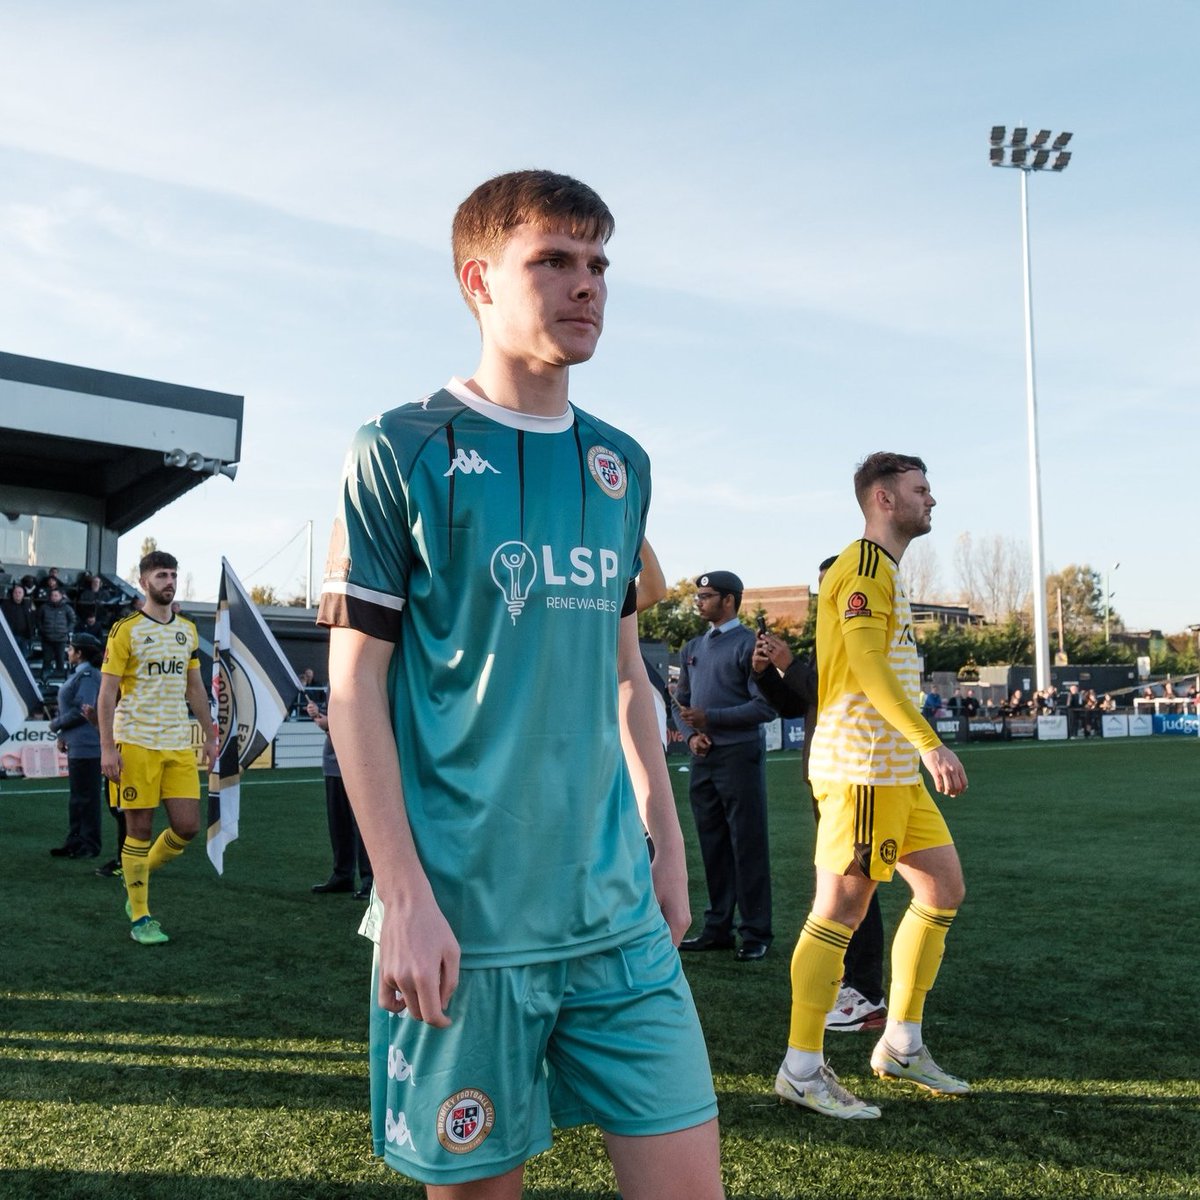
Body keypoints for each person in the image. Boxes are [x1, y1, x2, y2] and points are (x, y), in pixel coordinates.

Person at [317, 170, 723, 1199]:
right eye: (552, 261)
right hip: (465, 923)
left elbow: (628, 677)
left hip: (617, 915)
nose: (585, 285)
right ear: (478, 282)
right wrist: (401, 895)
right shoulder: (399, 451)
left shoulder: (620, 465)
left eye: (597, 266)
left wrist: (667, 848)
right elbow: (354, 690)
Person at [774, 451, 970, 1121]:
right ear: (884, 499)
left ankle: (901, 1045)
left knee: (942, 888)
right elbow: (861, 662)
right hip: (862, 768)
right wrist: (930, 743)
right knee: (839, 912)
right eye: (921, 489)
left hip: (892, 775)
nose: (932, 499)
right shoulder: (860, 567)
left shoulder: (884, 572)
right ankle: (801, 1068)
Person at [753, 555, 887, 1032]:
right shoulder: (828, 636)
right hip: (829, 777)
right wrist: (769, 672)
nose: (823, 594)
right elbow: (798, 702)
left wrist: (790, 663)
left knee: (854, 882)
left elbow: (835, 690)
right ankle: (855, 987)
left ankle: (866, 994)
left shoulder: (863, 629)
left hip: (857, 774)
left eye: (828, 583)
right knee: (845, 882)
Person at [97, 550, 218, 945]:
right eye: (162, 575)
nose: (169, 581)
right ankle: (141, 916)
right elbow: (106, 695)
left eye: (173, 575)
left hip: (177, 743)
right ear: (144, 581)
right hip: (135, 742)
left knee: (186, 828)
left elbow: (195, 687)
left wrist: (210, 733)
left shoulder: (187, 630)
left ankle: (136, 880)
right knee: (140, 829)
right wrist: (107, 748)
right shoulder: (125, 630)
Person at [674, 571, 776, 961]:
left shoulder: (750, 644)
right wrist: (691, 733)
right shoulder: (693, 647)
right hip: (703, 758)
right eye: (698, 595)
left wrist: (709, 719)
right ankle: (717, 928)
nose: (698, 601)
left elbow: (764, 706)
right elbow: (680, 701)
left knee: (747, 846)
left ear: (729, 600)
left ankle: (755, 932)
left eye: (706, 595)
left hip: (739, 756)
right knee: (713, 846)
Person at [308, 697, 373, 899]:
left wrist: (330, 722)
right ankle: (343, 874)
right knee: (339, 823)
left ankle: (370, 880)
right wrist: (320, 716)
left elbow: (366, 715)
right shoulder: (335, 677)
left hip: (360, 759)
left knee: (364, 825)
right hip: (335, 761)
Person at [47, 631, 105, 858]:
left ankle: (88, 844)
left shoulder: (89, 676)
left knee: (86, 797)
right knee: (78, 797)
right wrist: (62, 734)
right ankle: (75, 841)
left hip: (88, 745)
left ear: (80, 653)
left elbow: (84, 708)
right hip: (79, 744)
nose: (68, 652)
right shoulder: (82, 675)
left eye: (71, 649)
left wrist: (56, 725)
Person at [36, 586, 77, 682]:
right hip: (47, 638)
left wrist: (66, 630)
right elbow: (38, 620)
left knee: (60, 659)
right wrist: (42, 630)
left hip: (61, 639)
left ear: (61, 596)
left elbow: (73, 620)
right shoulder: (44, 608)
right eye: (52, 595)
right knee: (47, 660)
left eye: (56, 595)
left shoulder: (67, 608)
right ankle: (45, 679)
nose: (54, 597)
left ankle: (60, 679)